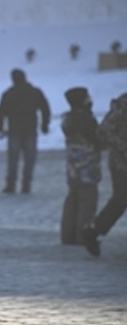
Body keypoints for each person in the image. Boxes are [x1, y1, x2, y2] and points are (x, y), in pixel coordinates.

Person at [81, 92, 127, 256]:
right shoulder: (123, 105)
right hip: (121, 163)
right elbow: (103, 131)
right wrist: (123, 147)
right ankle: (91, 232)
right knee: (120, 201)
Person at [0, 68, 51, 194]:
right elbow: (45, 108)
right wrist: (44, 125)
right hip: (30, 129)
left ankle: (11, 184)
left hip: (14, 130)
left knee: (13, 160)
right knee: (29, 159)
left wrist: (0, 127)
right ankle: (26, 184)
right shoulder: (34, 92)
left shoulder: (8, 94)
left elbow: (1, 112)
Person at [59, 87, 101, 246]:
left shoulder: (69, 120)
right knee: (87, 203)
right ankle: (83, 236)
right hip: (87, 168)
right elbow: (99, 140)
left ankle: (68, 235)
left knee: (72, 201)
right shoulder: (86, 120)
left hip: (73, 168)